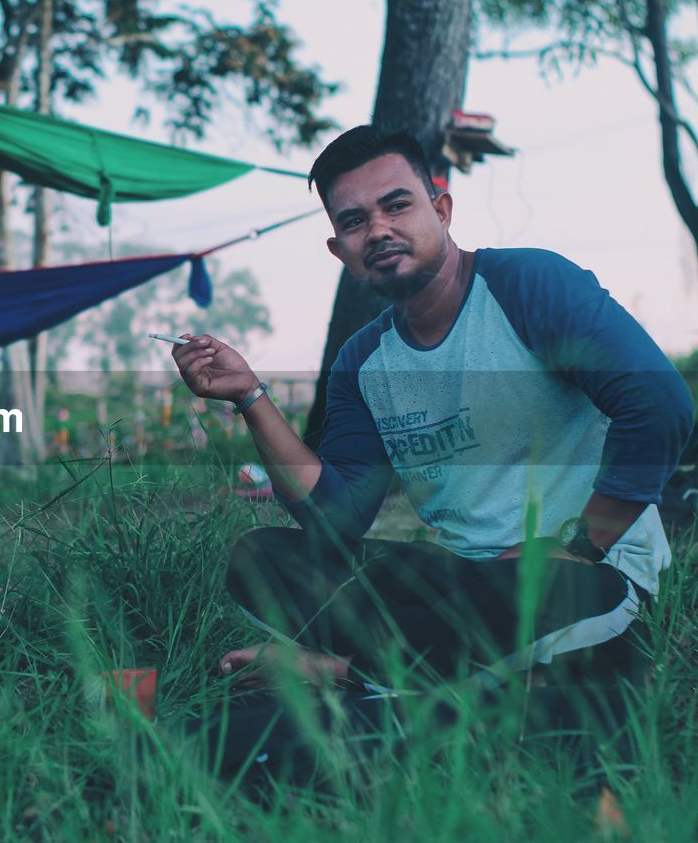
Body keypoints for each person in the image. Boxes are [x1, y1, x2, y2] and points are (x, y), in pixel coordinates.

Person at [170, 125, 694, 695]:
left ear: (441, 209)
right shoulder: (363, 361)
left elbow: (660, 406)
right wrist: (251, 398)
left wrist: (579, 544)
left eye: (397, 205)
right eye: (353, 221)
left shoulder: (529, 287)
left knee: (533, 590)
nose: (378, 230)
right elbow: (337, 521)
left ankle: (345, 672)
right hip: (465, 583)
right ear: (338, 249)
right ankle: (455, 673)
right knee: (263, 557)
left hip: (591, 572)